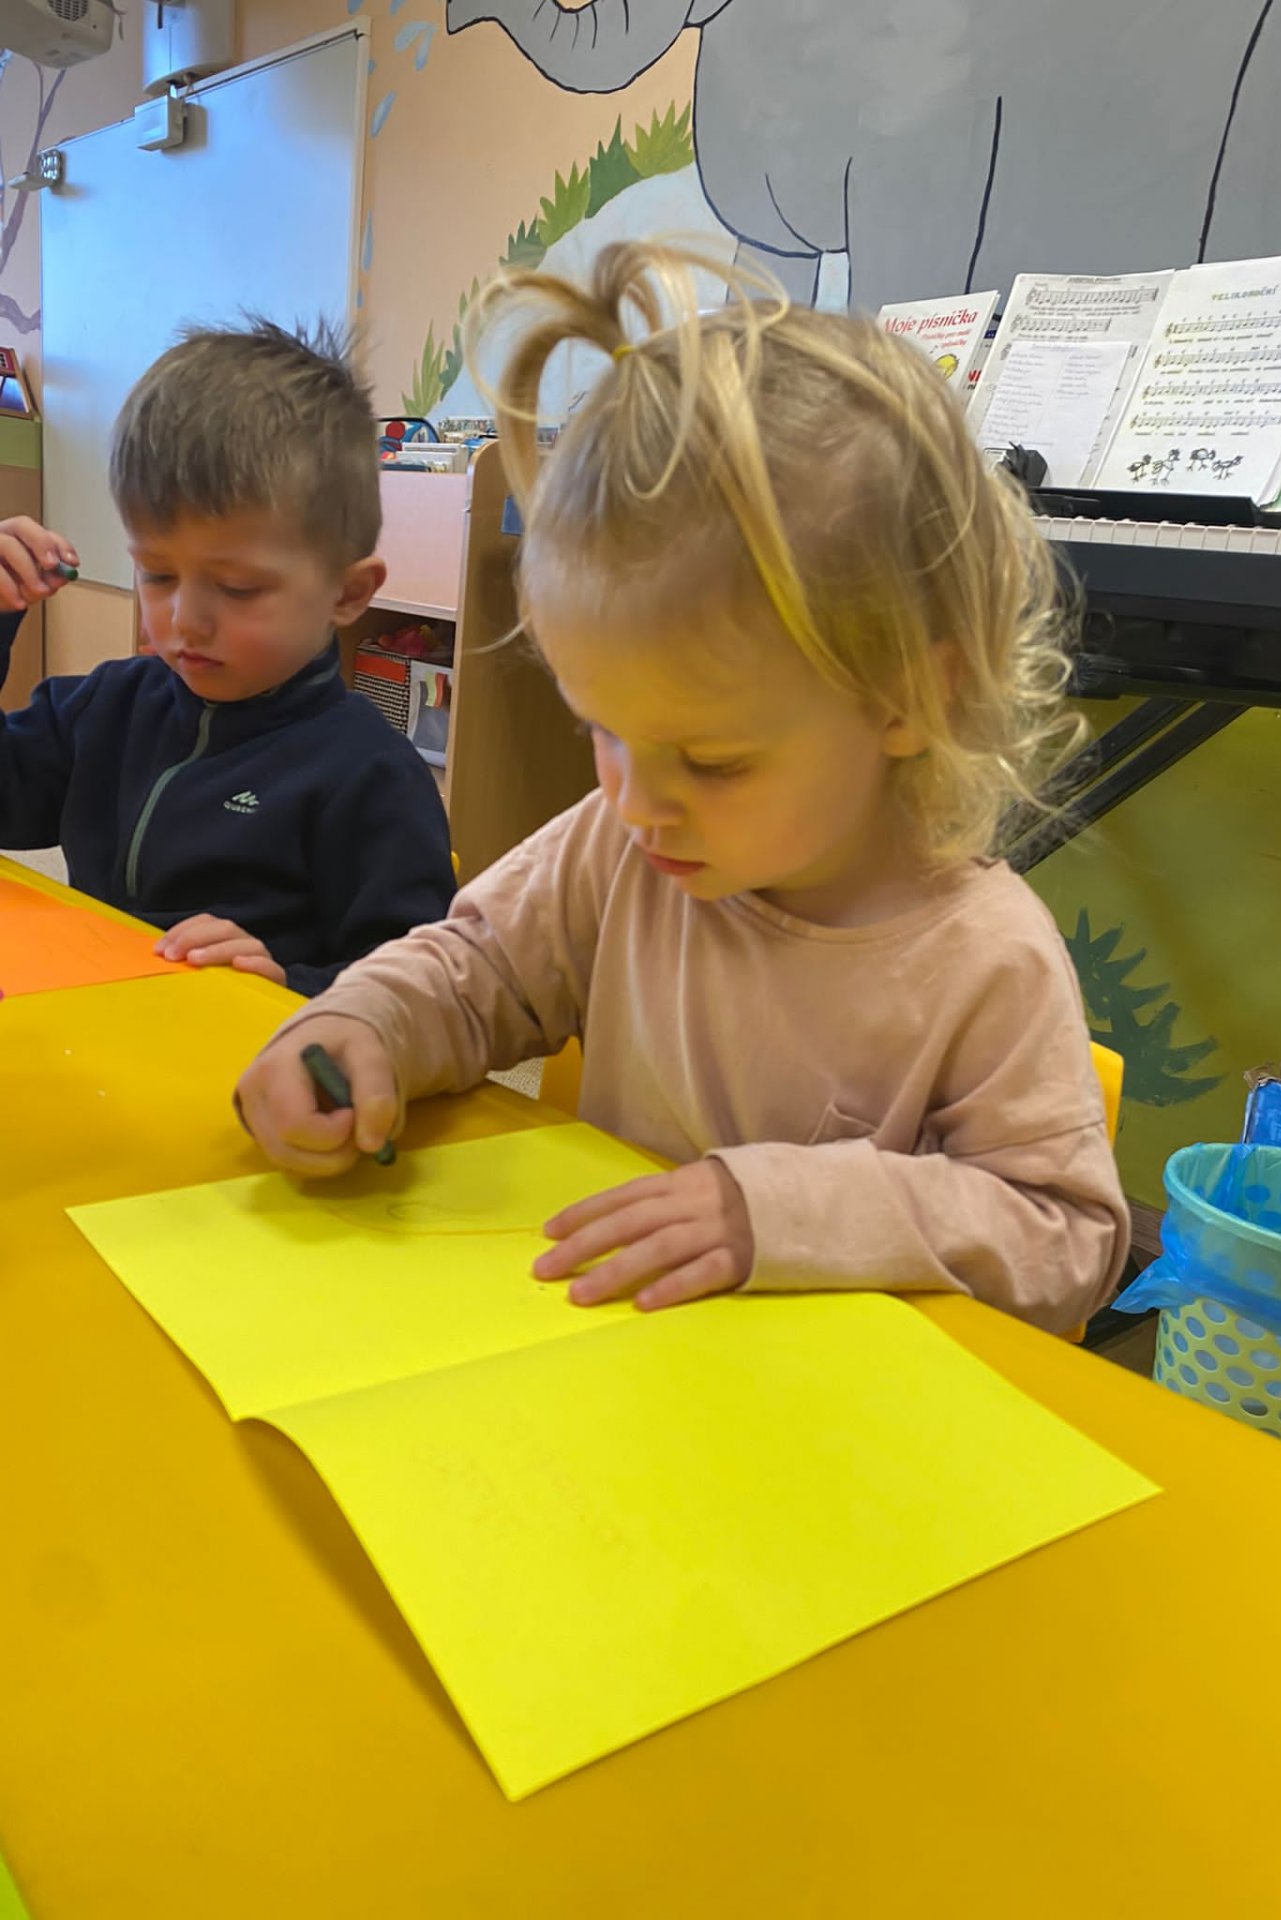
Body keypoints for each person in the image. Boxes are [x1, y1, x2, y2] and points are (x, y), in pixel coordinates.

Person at [235, 244, 1126, 1327]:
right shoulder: (617, 846)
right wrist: (363, 1025)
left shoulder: (986, 960)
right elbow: (476, 972)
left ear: (908, 700)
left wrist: (782, 1213)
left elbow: (1065, 1239)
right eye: (601, 732)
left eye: (712, 761)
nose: (637, 800)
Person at [0, 321, 454, 996]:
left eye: (238, 588)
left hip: (252, 1050)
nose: (184, 619)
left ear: (347, 593)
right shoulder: (105, 707)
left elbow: (422, 987)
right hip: (99, 1027)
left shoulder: (370, 776)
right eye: (157, 575)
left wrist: (286, 984)